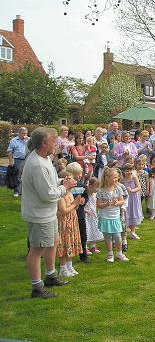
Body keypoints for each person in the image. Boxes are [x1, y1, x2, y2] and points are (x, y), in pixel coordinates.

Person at [22, 127, 77, 298]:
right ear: (44, 144)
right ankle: (37, 287)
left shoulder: (44, 158)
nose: (56, 144)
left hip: (47, 213)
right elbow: (47, 195)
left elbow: (49, 183)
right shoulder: (37, 164)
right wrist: (65, 187)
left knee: (53, 242)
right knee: (37, 250)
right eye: (54, 141)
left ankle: (51, 276)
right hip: (39, 214)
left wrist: (61, 180)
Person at [96, 167, 129, 262]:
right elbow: (98, 205)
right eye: (114, 177)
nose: (116, 180)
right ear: (107, 178)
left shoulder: (118, 188)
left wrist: (116, 203)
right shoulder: (101, 191)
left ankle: (119, 253)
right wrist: (106, 204)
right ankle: (110, 254)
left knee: (118, 236)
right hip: (105, 217)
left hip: (115, 217)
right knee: (107, 237)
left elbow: (122, 201)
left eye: (117, 177)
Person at [56, 169, 83, 277]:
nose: (73, 182)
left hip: (72, 222)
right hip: (64, 224)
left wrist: (77, 204)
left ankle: (69, 265)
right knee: (64, 244)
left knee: (71, 243)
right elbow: (63, 210)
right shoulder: (61, 195)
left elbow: (73, 208)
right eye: (70, 179)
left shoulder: (70, 193)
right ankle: (63, 268)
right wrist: (74, 204)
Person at [121, 163, 143, 239]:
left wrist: (132, 190)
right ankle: (125, 232)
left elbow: (139, 187)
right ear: (123, 171)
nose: (129, 172)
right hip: (125, 198)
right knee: (125, 214)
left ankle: (133, 232)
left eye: (130, 170)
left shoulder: (134, 177)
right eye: (127, 171)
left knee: (133, 213)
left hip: (133, 198)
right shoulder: (121, 179)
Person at [7, 126, 29, 197]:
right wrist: (11, 161)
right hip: (18, 160)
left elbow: (33, 148)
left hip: (27, 160)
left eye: (26, 133)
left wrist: (28, 140)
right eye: (23, 133)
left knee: (27, 176)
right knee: (17, 176)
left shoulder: (28, 140)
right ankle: (16, 191)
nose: (24, 135)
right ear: (19, 133)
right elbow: (9, 151)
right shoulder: (14, 140)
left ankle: (23, 191)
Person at [84, 177, 103, 254]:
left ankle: (93, 245)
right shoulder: (84, 194)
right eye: (96, 187)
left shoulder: (95, 195)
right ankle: (85, 247)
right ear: (90, 186)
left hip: (93, 215)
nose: (97, 189)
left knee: (94, 229)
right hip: (86, 215)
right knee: (86, 230)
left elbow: (96, 205)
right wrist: (87, 211)